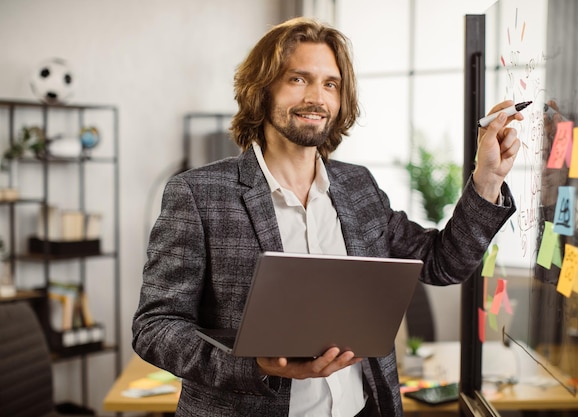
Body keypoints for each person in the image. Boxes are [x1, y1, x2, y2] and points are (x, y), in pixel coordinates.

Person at [132, 17, 522, 417]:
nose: (316, 98)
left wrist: (487, 177)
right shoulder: (199, 194)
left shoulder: (359, 186)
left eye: (330, 84)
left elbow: (444, 263)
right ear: (261, 90)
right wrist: (253, 365)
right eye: (298, 79)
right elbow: (156, 327)